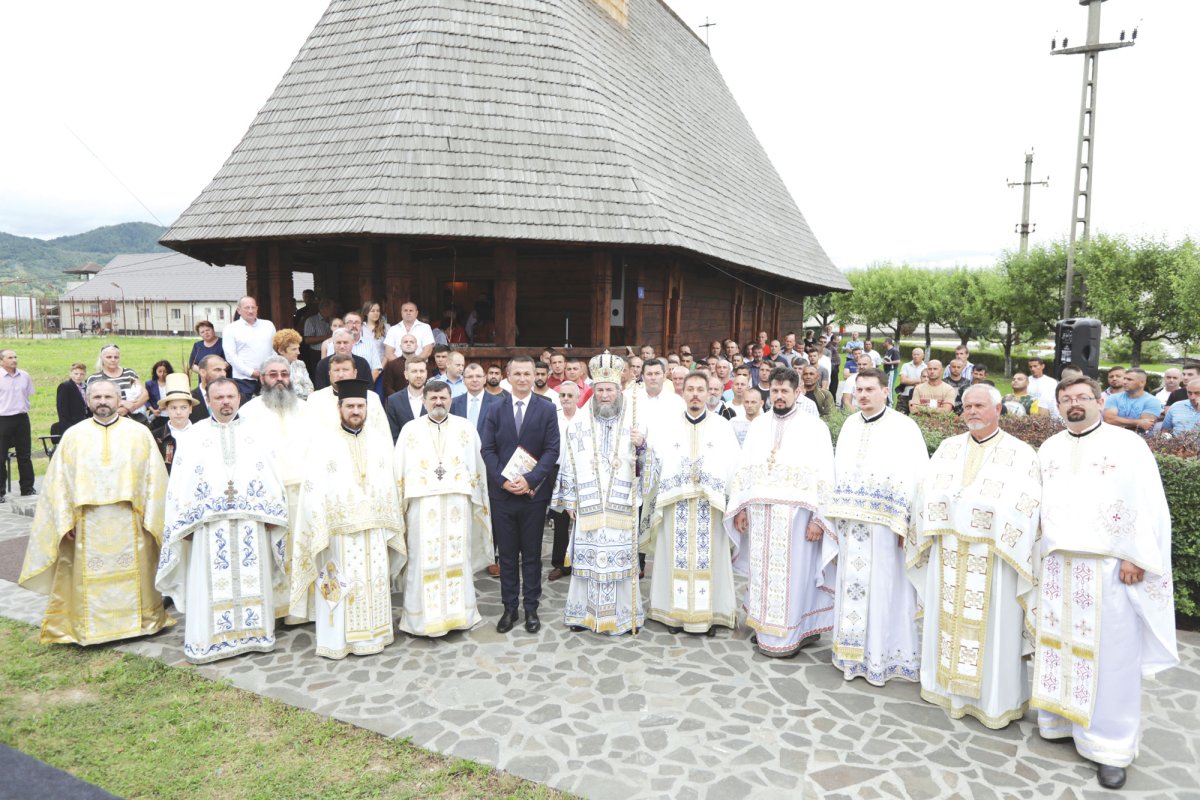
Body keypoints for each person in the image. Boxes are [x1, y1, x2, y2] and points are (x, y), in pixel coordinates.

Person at [1032, 376, 1178, 789]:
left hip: (1110, 569)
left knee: (1112, 659)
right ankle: (1061, 720)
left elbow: (1149, 502)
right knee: (1060, 648)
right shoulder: (1050, 447)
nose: (1074, 404)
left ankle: (1111, 745)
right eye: (1066, 400)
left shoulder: (1128, 445)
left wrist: (1139, 555)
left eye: (1082, 398)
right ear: (1059, 406)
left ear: (1099, 401)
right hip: (1059, 566)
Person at [907, 384, 1042, 729]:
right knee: (945, 620)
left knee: (995, 629)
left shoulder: (1021, 453)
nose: (972, 412)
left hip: (994, 560)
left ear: (998, 410)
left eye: (980, 405)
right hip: (947, 553)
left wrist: (974, 508)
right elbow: (925, 491)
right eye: (967, 406)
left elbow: (1027, 506)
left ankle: (994, 702)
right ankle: (943, 688)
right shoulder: (949, 448)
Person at [19, 379, 174, 645]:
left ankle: (141, 623)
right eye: (97, 397)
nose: (103, 401)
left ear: (118, 400)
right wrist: (63, 521)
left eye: (108, 396)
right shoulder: (74, 436)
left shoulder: (139, 433)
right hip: (86, 524)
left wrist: (152, 517)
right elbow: (59, 483)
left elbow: (155, 480)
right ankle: (90, 629)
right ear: (88, 401)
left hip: (131, 521)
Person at [156, 378, 290, 663]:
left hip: (251, 523)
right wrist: (184, 524)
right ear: (208, 400)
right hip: (208, 525)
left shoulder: (257, 432)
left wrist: (271, 514)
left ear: (239, 398)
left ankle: (255, 635)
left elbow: (271, 475)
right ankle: (209, 641)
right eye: (219, 398)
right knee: (209, 582)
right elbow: (180, 483)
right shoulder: (193, 436)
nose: (226, 402)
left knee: (253, 579)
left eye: (230, 396)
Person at [823, 368, 927, 685]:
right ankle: (850, 656)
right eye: (859, 389)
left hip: (887, 528)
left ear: (886, 391)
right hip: (851, 525)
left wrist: (908, 524)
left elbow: (917, 476)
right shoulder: (851, 426)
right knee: (850, 588)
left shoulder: (904, 427)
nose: (863, 395)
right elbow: (839, 471)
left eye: (870, 389)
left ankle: (884, 657)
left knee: (886, 590)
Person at [290, 379, 405, 657]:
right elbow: (313, 487)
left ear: (367, 408)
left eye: (360, 406)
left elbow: (388, 482)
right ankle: (337, 643)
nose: (356, 411)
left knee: (374, 580)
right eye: (350, 406)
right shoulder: (323, 443)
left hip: (375, 529)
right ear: (339, 408)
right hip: (338, 533)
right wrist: (321, 526)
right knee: (340, 582)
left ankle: (376, 635)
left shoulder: (379, 441)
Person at [726, 367, 836, 657]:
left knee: (797, 576)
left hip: (797, 519)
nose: (779, 396)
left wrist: (819, 518)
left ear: (797, 393)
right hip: (762, 515)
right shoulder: (759, 425)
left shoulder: (815, 428)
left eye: (785, 391)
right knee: (761, 575)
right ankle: (765, 629)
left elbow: (825, 473)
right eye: (774, 391)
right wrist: (741, 508)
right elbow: (744, 470)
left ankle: (794, 633)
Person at [553, 353, 651, 635]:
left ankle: (621, 618)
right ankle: (584, 616)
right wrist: (569, 499)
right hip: (589, 505)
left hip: (621, 506)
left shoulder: (635, 425)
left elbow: (650, 467)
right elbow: (569, 461)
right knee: (587, 561)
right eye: (600, 390)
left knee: (619, 563)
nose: (605, 395)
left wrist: (642, 446)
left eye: (610, 389)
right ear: (592, 392)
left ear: (619, 391)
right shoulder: (579, 425)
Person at [394, 380, 492, 637]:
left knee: (457, 558)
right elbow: (399, 470)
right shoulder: (410, 430)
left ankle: (460, 616)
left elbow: (477, 468)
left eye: (443, 398)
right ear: (424, 401)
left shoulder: (466, 428)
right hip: (421, 503)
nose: (439, 403)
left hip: (457, 503)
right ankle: (420, 620)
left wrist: (478, 501)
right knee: (421, 557)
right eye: (434, 398)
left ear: (451, 399)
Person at [645, 373, 738, 635]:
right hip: (676, 505)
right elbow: (656, 462)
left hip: (711, 507)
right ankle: (673, 615)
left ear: (709, 392)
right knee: (672, 556)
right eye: (690, 389)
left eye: (700, 389)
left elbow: (733, 466)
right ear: (682, 392)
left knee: (712, 560)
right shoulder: (667, 426)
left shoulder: (722, 426)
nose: (695, 394)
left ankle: (707, 616)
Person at [481, 356, 560, 634]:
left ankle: (531, 608)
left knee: (531, 553)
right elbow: (487, 450)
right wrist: (503, 482)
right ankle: (509, 607)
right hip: (503, 496)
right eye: (518, 373)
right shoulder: (494, 407)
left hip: (532, 496)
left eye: (528, 373)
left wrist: (530, 480)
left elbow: (552, 450)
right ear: (508, 375)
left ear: (536, 376)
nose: (524, 378)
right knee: (507, 555)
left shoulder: (547, 408)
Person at [239, 355, 309, 620]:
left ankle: (305, 610)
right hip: (269, 497)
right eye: (273, 374)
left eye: (284, 374)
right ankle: (277, 610)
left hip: (303, 493)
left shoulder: (305, 409)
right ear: (262, 378)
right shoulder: (248, 413)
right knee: (273, 555)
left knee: (303, 550)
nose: (280, 379)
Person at [547, 380, 581, 582]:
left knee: (581, 517)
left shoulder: (586, 417)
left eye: (570, 395)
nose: (566, 399)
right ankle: (560, 563)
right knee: (560, 519)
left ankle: (581, 561)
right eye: (563, 395)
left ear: (578, 397)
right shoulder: (553, 418)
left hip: (581, 473)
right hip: (556, 470)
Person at [223, 296, 277, 403]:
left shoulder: (268, 325)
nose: (251, 311)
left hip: (267, 377)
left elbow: (274, 350)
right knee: (244, 411)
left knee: (270, 409)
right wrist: (251, 372)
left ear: (257, 308)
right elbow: (231, 356)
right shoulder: (230, 329)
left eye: (253, 307)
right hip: (243, 380)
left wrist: (271, 370)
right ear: (239, 310)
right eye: (247, 308)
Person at [0, 349, 36, 500]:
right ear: (1, 361)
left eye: (15, 357)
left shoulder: (24, 376)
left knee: (25, 455)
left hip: (21, 418)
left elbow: (28, 393)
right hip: (3, 419)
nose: (14, 360)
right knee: (0, 457)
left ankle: (27, 488)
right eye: (10, 357)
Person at [87, 344, 150, 426]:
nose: (113, 360)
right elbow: (91, 402)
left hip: (133, 420)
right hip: (106, 421)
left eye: (116, 357)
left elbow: (145, 395)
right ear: (102, 358)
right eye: (109, 357)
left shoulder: (129, 373)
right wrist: (120, 405)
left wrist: (130, 407)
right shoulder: (94, 379)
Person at [152, 373, 198, 473]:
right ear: (167, 409)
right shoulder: (156, 437)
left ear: (190, 409)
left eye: (183, 407)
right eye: (173, 408)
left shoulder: (201, 434)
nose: (178, 412)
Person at [1102, 367, 1162, 435]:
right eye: (1124, 378)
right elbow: (1108, 420)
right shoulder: (1113, 397)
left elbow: (1145, 427)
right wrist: (1138, 422)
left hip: (1140, 440)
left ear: (1142, 383)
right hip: (1113, 437)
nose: (1124, 382)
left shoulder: (1152, 401)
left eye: (1129, 379)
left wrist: (1118, 421)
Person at [385, 358, 429, 441]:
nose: (418, 375)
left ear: (426, 373)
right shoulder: (393, 401)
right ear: (406, 374)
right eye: (414, 371)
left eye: (422, 371)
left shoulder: (435, 399)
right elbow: (392, 435)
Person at [273, 328, 314, 399]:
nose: (298, 352)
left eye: (298, 348)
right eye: (294, 349)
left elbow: (310, 388)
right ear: (281, 351)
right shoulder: (272, 367)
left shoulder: (300, 364)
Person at [54, 362, 90, 435]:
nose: (78, 376)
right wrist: (68, 428)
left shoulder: (86, 387)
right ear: (71, 374)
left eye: (81, 374)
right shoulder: (65, 386)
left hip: (85, 423)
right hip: (72, 424)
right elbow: (62, 409)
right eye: (76, 374)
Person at [191, 354, 227, 423]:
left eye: (224, 370)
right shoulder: (190, 399)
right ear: (202, 372)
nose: (223, 374)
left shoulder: (236, 398)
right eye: (217, 370)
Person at [144, 359, 174, 427]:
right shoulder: (150, 384)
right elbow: (146, 400)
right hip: (157, 416)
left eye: (165, 372)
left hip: (171, 415)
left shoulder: (173, 383)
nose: (162, 374)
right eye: (159, 371)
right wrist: (154, 410)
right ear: (155, 371)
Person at [360, 300, 389, 365]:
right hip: (365, 365)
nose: (376, 313)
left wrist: (381, 368)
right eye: (372, 311)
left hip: (382, 365)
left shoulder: (386, 327)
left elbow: (388, 350)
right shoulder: (361, 328)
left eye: (378, 311)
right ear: (366, 313)